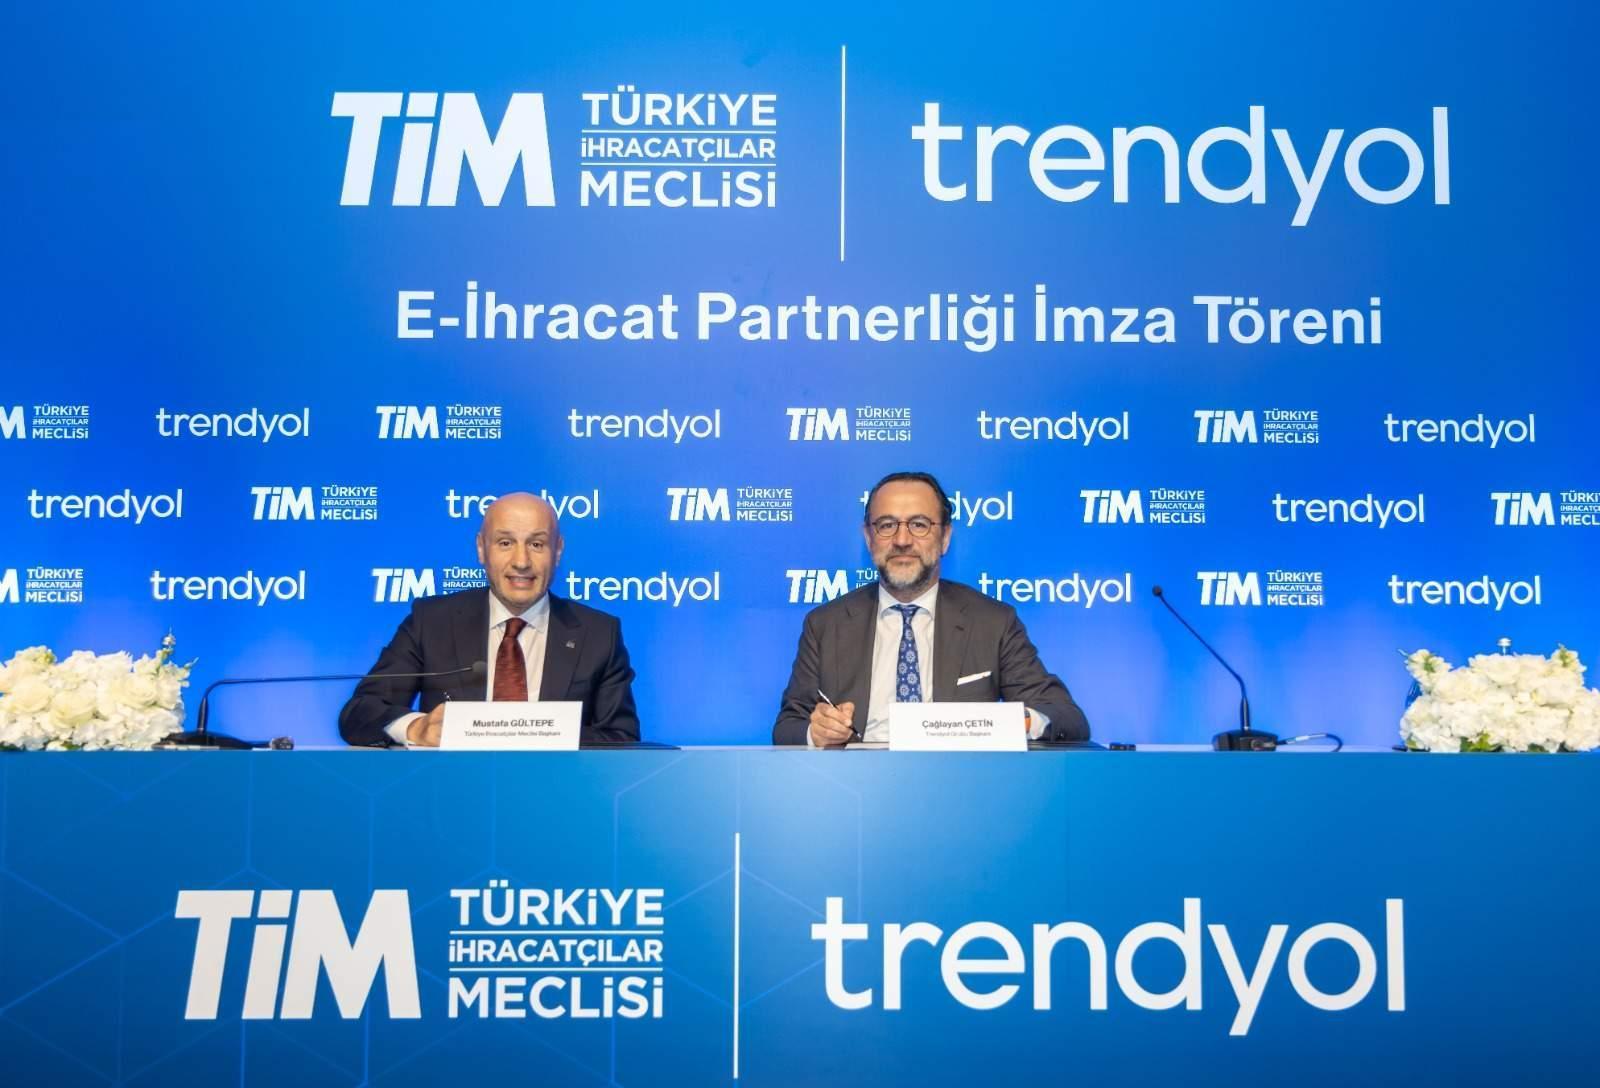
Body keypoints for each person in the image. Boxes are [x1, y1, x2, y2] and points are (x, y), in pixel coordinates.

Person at [773, 471, 1088, 746]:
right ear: (868, 538)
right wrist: (816, 732)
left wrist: (1008, 723)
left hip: (959, 783)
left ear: (945, 537)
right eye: (886, 525)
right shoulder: (825, 624)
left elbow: (1066, 718)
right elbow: (788, 726)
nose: (902, 540)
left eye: (919, 525)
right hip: (857, 784)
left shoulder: (992, 622)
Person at [339, 492, 640, 746]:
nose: (521, 561)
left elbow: (622, 739)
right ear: (481, 549)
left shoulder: (599, 634)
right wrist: (416, 728)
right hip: (453, 791)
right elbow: (359, 713)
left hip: (557, 793)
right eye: (505, 543)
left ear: (557, 551)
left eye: (536, 544)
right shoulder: (432, 622)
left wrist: (537, 735)